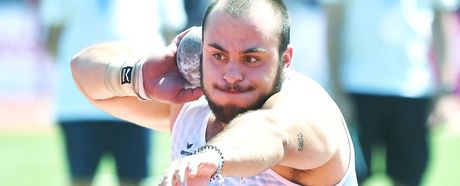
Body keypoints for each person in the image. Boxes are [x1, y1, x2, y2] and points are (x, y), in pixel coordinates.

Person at [70, 0, 358, 185]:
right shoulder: (191, 107)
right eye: (218, 56)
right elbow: (83, 72)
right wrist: (139, 74)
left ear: (285, 59)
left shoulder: (304, 108)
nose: (232, 75)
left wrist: (210, 156)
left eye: (251, 59)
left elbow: (272, 131)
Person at [39, 0, 187, 185]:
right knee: (80, 179)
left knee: (133, 179)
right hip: (78, 103)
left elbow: (172, 34)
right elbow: (53, 33)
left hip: (140, 101)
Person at [323, 0, 458, 185]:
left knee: (408, 176)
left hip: (413, 90)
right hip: (359, 88)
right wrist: (337, 91)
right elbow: (333, 23)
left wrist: (444, 91)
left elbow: (442, 22)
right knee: (346, 176)